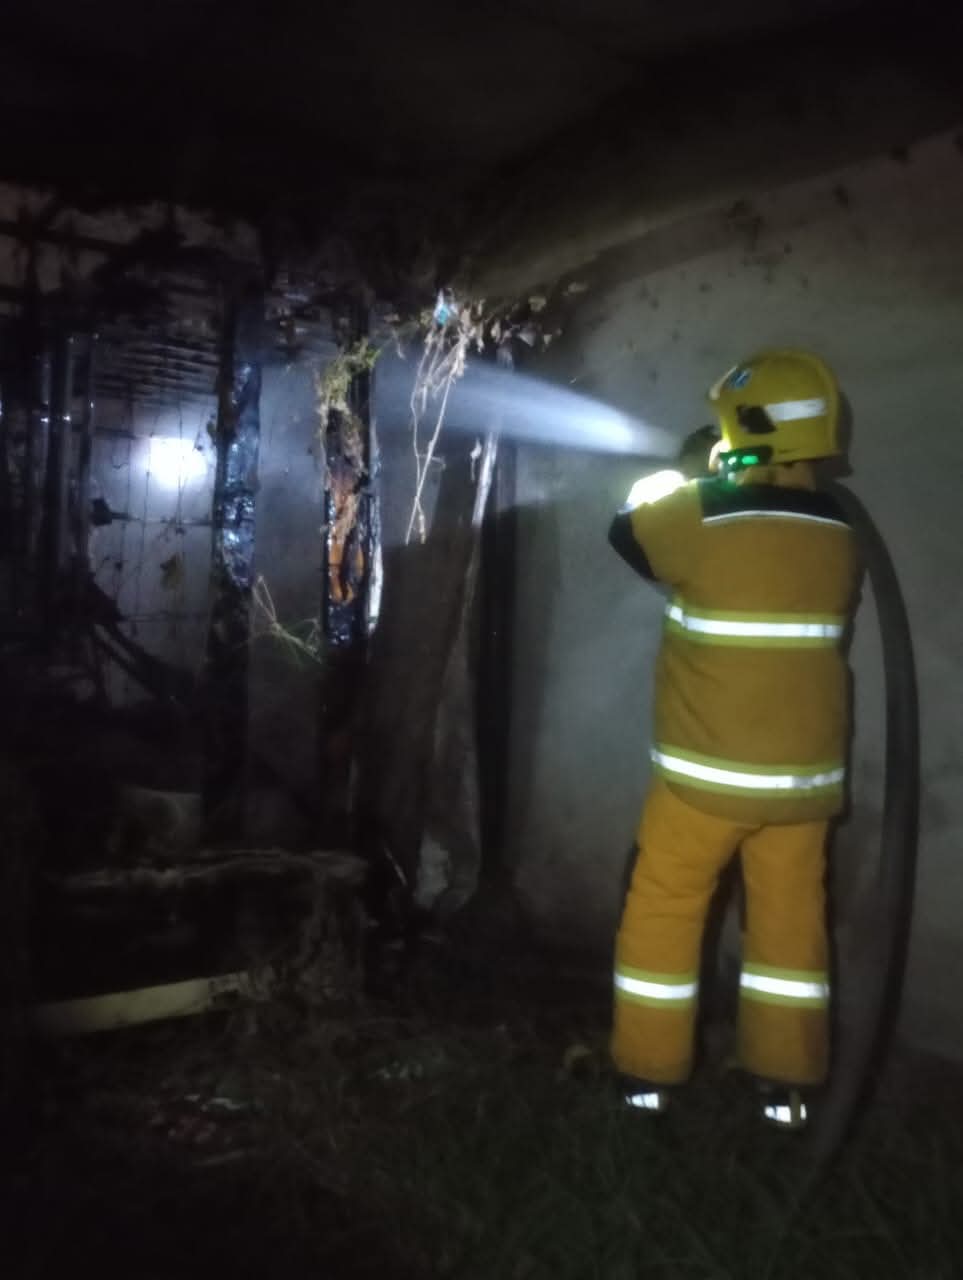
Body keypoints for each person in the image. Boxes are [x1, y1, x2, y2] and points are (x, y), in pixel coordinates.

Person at [607, 349, 858, 1128]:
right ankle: (784, 1091)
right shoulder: (842, 528)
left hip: (703, 780)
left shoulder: (702, 512)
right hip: (803, 785)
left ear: (742, 427)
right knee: (787, 923)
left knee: (665, 910)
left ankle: (647, 1079)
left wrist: (685, 479)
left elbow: (627, 535)